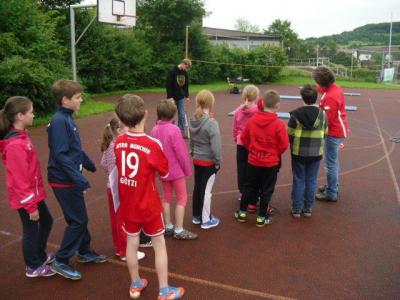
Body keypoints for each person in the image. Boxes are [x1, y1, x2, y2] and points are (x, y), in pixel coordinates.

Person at [114, 94, 184, 300]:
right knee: (159, 244)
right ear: (145, 114)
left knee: (131, 242)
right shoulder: (152, 144)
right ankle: (164, 290)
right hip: (149, 204)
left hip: (129, 204)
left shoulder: (118, 142)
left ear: (122, 119)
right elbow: (164, 173)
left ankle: (135, 284)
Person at [47, 79, 107, 280]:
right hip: (63, 180)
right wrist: (79, 178)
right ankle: (61, 260)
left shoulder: (67, 118)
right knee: (78, 221)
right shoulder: (59, 121)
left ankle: (84, 251)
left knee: (78, 218)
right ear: (65, 100)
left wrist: (88, 162)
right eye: (77, 97)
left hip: (69, 178)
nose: (81, 100)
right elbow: (60, 155)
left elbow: (73, 148)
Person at [0, 96, 55, 278]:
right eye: (31, 112)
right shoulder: (15, 144)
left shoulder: (21, 135)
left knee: (46, 221)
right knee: (31, 229)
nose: (34, 114)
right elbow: (20, 180)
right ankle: (32, 266)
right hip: (27, 198)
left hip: (34, 194)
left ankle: (39, 255)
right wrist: (30, 206)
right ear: (19, 116)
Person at [234, 90, 289, 227]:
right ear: (277, 105)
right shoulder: (279, 124)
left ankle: (242, 212)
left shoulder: (252, 121)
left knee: (249, 186)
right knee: (266, 190)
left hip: (254, 160)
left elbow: (244, 138)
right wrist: (275, 154)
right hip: (270, 163)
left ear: (263, 103)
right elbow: (284, 145)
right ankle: (261, 217)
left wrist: (252, 149)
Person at [100, 117, 146, 261]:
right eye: (127, 127)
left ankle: (119, 248)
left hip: (111, 186)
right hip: (119, 187)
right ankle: (127, 251)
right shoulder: (118, 146)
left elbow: (103, 164)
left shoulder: (109, 145)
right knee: (123, 220)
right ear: (119, 130)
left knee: (116, 219)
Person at [150, 99, 197, 240]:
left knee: (166, 197)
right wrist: (187, 170)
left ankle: (168, 226)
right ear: (173, 115)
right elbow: (181, 153)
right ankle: (179, 229)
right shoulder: (174, 130)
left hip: (163, 171)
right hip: (176, 172)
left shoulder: (154, 130)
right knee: (182, 198)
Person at [288, 84, 328, 218]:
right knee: (311, 180)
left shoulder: (295, 114)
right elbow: (325, 132)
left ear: (302, 97)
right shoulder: (323, 114)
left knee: (298, 179)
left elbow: (290, 133)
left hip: (299, 152)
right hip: (316, 152)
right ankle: (308, 208)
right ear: (316, 97)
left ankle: (296, 208)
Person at [313, 66, 349, 202]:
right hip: (338, 130)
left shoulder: (330, 98)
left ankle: (331, 192)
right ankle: (332, 185)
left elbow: (327, 120)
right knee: (333, 162)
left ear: (322, 83)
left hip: (334, 132)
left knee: (330, 163)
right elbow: (323, 89)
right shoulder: (335, 88)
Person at [189, 90, 221, 229]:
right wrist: (218, 161)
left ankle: (196, 216)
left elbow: (192, 140)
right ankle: (206, 219)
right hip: (208, 161)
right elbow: (216, 146)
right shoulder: (211, 123)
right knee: (206, 190)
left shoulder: (193, 119)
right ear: (211, 103)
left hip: (197, 159)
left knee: (198, 187)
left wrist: (193, 152)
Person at [232, 84, 259, 212]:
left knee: (241, 170)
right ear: (256, 96)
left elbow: (235, 127)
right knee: (254, 171)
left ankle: (243, 193)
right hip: (254, 145)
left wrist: (236, 138)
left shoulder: (238, 110)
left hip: (241, 144)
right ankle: (253, 195)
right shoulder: (259, 110)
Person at [166, 58, 192, 138]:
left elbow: (186, 85)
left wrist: (187, 96)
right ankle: (168, 130)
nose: (186, 69)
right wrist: (170, 97)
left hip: (180, 97)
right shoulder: (172, 71)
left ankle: (180, 132)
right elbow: (168, 85)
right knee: (170, 114)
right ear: (183, 64)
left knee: (181, 114)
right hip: (172, 97)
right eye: (186, 67)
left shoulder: (185, 73)